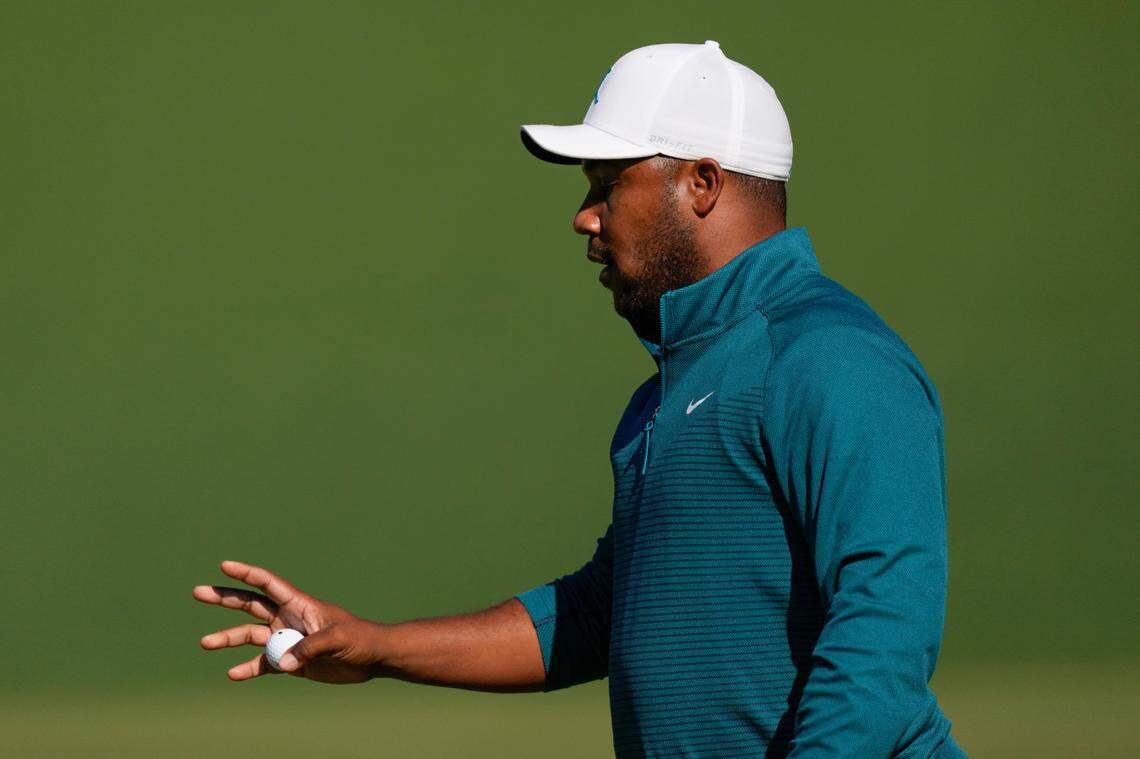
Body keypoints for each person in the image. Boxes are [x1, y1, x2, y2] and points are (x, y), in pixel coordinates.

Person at [193, 41, 966, 757]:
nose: (584, 217)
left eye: (609, 186)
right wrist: (375, 646)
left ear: (703, 183)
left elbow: (883, 633)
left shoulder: (830, 355)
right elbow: (605, 612)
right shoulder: (668, 392)